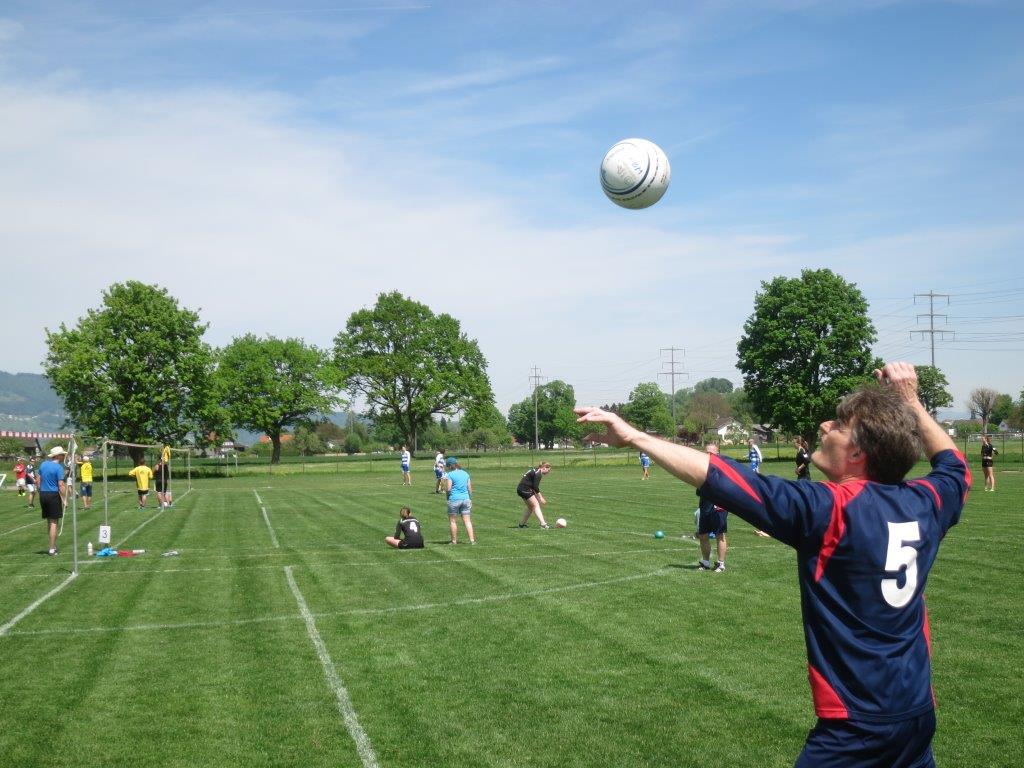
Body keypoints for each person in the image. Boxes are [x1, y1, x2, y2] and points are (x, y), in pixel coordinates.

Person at [576, 362, 970, 768]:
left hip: (856, 726)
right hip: (916, 714)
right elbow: (955, 465)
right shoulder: (928, 502)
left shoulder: (829, 509)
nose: (824, 426)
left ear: (857, 453)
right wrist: (911, 401)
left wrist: (635, 436)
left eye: (838, 425)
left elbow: (718, 475)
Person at [696, 444, 728, 571]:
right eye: (706, 452)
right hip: (705, 505)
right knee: (703, 535)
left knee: (720, 535)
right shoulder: (702, 468)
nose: (708, 455)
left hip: (718, 506)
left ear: (717, 454)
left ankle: (721, 563)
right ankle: (706, 562)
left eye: (711, 453)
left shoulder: (723, 468)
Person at [38, 446, 67, 556]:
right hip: (53, 495)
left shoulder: (43, 464)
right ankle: (51, 548)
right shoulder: (59, 467)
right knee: (54, 522)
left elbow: (38, 479)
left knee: (49, 521)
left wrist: (40, 490)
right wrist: (65, 499)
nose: (64, 456)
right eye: (62, 454)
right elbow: (61, 485)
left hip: (43, 494)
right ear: (58, 456)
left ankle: (53, 545)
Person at [444, 457, 475, 545]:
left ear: (450, 466)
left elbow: (448, 489)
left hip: (454, 499)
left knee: (453, 521)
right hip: (466, 499)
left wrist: (448, 498)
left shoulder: (450, 475)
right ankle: (472, 540)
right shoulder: (465, 473)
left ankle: (454, 541)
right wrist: (470, 499)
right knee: (467, 521)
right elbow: (469, 489)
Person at [517, 462, 552, 529]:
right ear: (544, 468)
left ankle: (521, 525)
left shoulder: (536, 470)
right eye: (548, 470)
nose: (548, 472)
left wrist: (537, 496)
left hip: (521, 489)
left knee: (530, 507)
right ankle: (543, 524)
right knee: (536, 505)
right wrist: (540, 497)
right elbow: (535, 487)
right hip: (525, 489)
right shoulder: (538, 473)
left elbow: (533, 486)